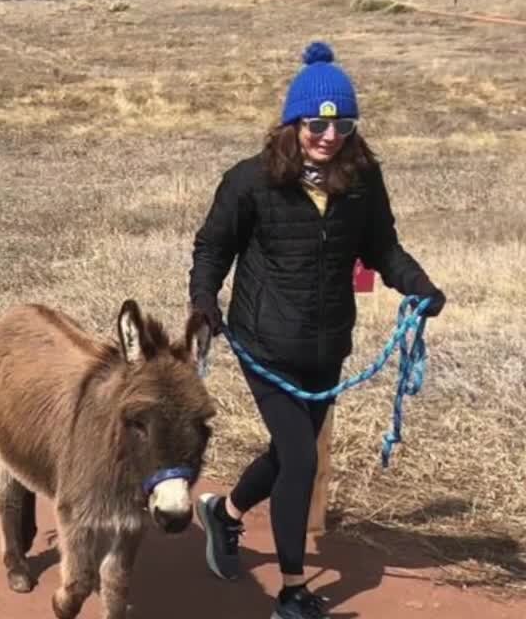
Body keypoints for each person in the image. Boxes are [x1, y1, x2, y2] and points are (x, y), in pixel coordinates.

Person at [187, 41, 446, 619]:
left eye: (342, 125)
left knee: (287, 452)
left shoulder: (362, 181)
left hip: (327, 347)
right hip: (264, 343)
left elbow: (382, 248)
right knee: (302, 460)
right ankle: (292, 592)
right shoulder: (251, 181)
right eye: (317, 124)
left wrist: (420, 286)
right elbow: (212, 249)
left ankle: (224, 516)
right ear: (294, 122)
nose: (329, 137)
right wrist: (204, 302)